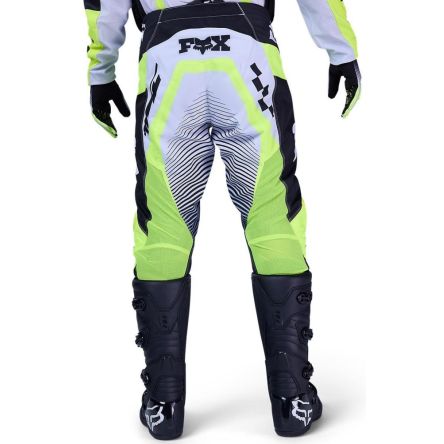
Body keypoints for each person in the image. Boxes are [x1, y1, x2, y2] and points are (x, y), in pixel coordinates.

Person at [84, 0, 360, 439]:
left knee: (163, 229)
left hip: (166, 57)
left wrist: (101, 69)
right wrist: (341, 50)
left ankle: (163, 404)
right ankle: (292, 400)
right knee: (273, 217)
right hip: (247, 51)